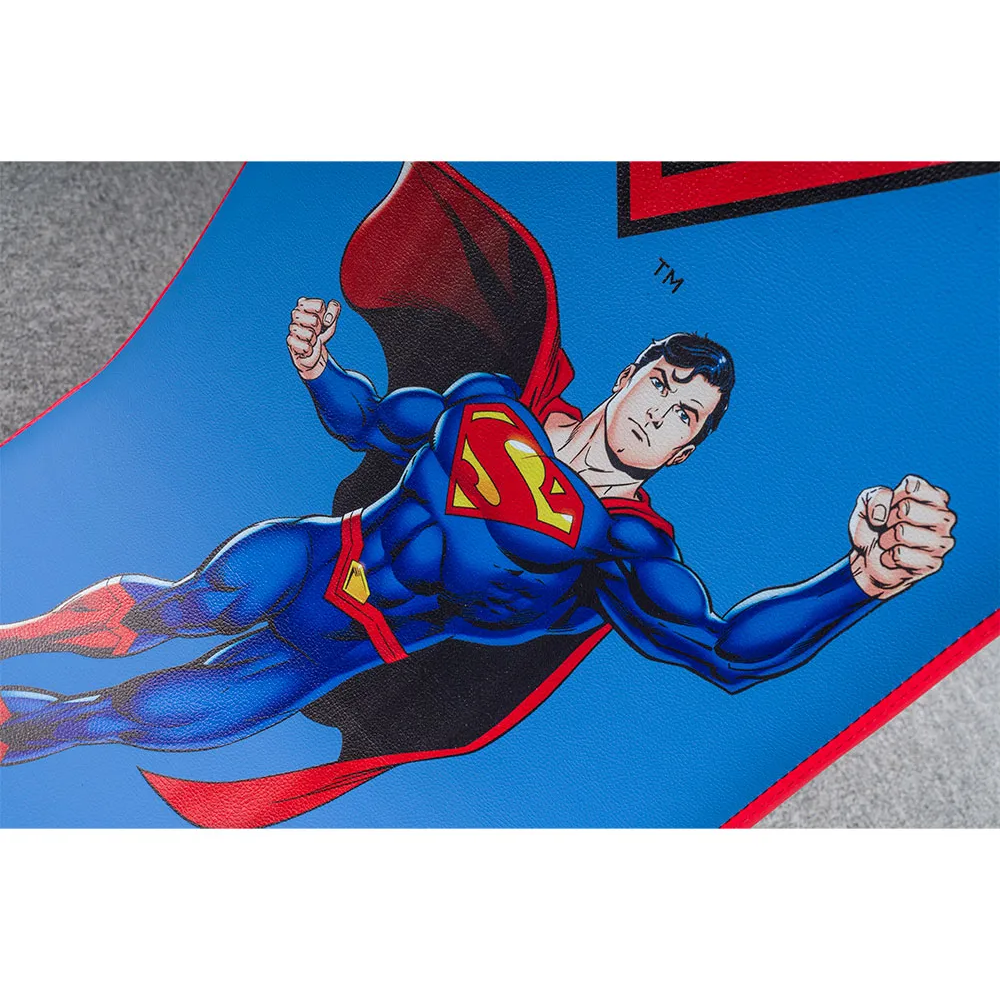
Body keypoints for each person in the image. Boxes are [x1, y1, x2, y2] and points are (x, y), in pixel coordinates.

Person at [0, 296, 955, 766]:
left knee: (110, 718)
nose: (658, 414)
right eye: (661, 386)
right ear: (630, 374)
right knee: (181, 605)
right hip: (318, 554)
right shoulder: (493, 405)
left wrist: (861, 581)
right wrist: (319, 366)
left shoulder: (624, 549)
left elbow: (725, 651)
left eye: (684, 418)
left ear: (686, 452)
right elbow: (371, 423)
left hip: (350, 644)